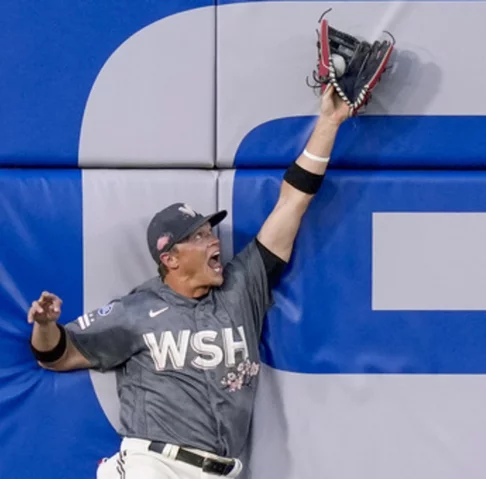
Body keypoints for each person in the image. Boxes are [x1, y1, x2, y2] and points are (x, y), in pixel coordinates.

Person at [26, 87, 351, 479]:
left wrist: (329, 122)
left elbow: (292, 202)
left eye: (210, 231)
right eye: (198, 236)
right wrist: (45, 326)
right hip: (154, 465)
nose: (214, 239)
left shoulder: (242, 286)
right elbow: (56, 355)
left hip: (221, 471)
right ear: (170, 258)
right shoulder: (137, 310)